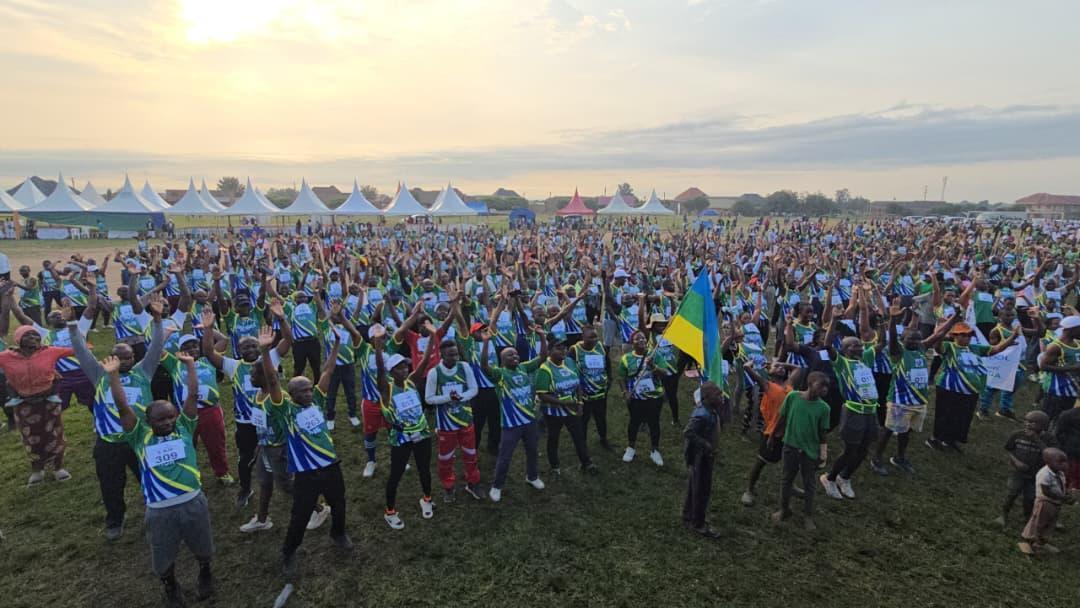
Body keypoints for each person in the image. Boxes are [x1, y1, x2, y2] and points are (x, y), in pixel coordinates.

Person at [104, 350, 215, 606]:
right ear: (147, 421)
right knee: (163, 553)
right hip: (159, 510)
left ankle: (205, 572)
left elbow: (192, 395)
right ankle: (170, 585)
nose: (167, 422)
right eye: (160, 419)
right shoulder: (139, 436)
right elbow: (122, 406)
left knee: (203, 545)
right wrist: (113, 377)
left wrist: (189, 367)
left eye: (170, 417)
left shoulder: (185, 427)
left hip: (193, 502)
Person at [258, 326, 352, 576]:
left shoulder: (318, 400)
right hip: (306, 473)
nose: (309, 393)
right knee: (299, 516)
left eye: (310, 389)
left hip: (330, 465)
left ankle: (339, 533)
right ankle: (288, 551)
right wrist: (266, 350)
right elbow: (271, 379)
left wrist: (336, 345)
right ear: (291, 395)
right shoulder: (285, 410)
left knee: (339, 503)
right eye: (302, 391)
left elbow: (328, 370)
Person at [70, 300, 165, 539]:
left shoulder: (143, 372)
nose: (126, 361)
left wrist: (158, 320)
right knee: (111, 484)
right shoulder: (99, 375)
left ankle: (155, 512)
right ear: (109, 358)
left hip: (139, 440)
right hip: (109, 443)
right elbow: (81, 350)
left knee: (149, 478)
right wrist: (72, 325)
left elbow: (156, 346)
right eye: (120, 358)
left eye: (129, 357)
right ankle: (115, 518)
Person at [0, 288, 79, 485]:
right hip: (24, 403)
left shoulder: (49, 351)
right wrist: (8, 300)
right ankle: (37, 470)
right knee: (31, 437)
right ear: (18, 340)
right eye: (29, 336)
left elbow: (78, 349)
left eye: (37, 336)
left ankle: (59, 467)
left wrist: (72, 325)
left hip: (48, 399)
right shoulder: (6, 357)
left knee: (55, 434)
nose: (35, 339)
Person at [869, 308, 961, 475]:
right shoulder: (898, 353)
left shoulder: (921, 349)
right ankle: (876, 458)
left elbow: (938, 334)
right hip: (899, 402)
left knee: (907, 432)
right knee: (889, 430)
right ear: (902, 340)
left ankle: (899, 457)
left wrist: (954, 318)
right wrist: (892, 319)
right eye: (911, 339)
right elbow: (892, 340)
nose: (916, 341)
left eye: (918, 338)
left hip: (919, 402)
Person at [374, 324, 438, 529]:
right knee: (396, 474)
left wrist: (433, 338)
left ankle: (427, 499)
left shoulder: (411, 382)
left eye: (405, 366)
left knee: (424, 469)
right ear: (391, 371)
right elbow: (380, 371)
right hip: (400, 438)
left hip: (422, 433)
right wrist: (377, 346)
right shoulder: (386, 389)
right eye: (399, 368)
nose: (404, 370)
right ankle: (390, 511)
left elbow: (425, 361)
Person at [480, 326, 547, 502]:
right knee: (505, 456)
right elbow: (484, 365)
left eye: (516, 354)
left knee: (532, 450)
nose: (515, 356)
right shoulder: (499, 374)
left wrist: (541, 336)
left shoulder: (524, 368)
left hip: (529, 420)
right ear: (502, 360)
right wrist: (486, 343)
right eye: (510, 355)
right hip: (511, 424)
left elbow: (542, 358)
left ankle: (532, 476)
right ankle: (497, 485)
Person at [771, 371, 832, 531]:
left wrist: (823, 453)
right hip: (790, 446)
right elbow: (782, 417)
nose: (824, 390)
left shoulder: (824, 408)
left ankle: (808, 515)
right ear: (810, 384)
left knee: (809, 483)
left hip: (809, 452)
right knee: (786, 480)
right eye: (821, 386)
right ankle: (784, 509)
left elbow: (822, 434)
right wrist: (773, 435)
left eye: (827, 387)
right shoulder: (793, 397)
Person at [425, 338, 484, 502]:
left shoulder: (464, 367)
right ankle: (448, 487)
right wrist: (447, 398)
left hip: (466, 420)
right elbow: (429, 398)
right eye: (450, 355)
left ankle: (472, 483)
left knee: (471, 453)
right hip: (446, 424)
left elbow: (474, 389)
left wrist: (461, 397)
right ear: (441, 355)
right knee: (445, 458)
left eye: (456, 354)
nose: (454, 358)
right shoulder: (434, 372)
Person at [740, 361, 795, 506]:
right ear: (768, 372)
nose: (781, 368)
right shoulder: (768, 385)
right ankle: (749, 489)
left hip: (790, 431)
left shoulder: (789, 385)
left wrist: (779, 362)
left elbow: (798, 368)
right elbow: (746, 367)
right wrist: (756, 364)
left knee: (791, 461)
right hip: (772, 432)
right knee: (761, 462)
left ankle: (792, 486)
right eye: (776, 367)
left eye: (782, 367)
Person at [682, 381, 724, 538]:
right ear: (706, 397)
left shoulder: (710, 410)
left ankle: (688, 515)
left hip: (704, 456)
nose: (721, 397)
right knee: (701, 490)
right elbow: (688, 432)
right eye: (718, 395)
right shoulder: (702, 415)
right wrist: (706, 445)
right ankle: (697, 523)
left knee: (695, 487)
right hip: (700, 457)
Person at [996, 411, 1052, 528]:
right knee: (1012, 493)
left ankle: (1027, 517)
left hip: (1036, 475)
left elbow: (1050, 454)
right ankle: (1003, 514)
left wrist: (1037, 440)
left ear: (1043, 425)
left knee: (1030, 498)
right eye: (1026, 421)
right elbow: (1009, 449)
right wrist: (1016, 462)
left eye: (1032, 422)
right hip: (1018, 472)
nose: (1028, 424)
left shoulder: (1049, 439)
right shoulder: (1017, 435)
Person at [619, 330, 666, 466]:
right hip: (636, 398)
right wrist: (625, 393)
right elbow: (621, 377)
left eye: (643, 338)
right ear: (631, 343)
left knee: (654, 423)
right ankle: (631, 447)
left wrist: (653, 366)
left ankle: (655, 450)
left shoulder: (654, 355)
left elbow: (664, 373)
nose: (641, 340)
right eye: (637, 339)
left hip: (654, 397)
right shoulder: (626, 358)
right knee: (634, 422)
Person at [1018, 448, 1075, 555]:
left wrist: (1066, 493)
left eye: (1065, 461)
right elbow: (1046, 491)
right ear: (1048, 462)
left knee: (1050, 523)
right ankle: (1033, 542)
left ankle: (1042, 542)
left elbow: (1062, 485)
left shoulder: (1060, 473)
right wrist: (1062, 497)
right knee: (1039, 523)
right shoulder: (1044, 474)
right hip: (1045, 502)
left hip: (1055, 502)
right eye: (1060, 462)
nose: (1064, 464)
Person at [570, 324, 612, 450]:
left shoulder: (601, 347)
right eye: (591, 337)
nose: (594, 340)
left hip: (600, 392)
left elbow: (608, 364)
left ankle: (603, 439)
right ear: (583, 337)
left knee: (601, 418)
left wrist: (610, 379)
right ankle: (582, 443)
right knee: (583, 420)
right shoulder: (574, 350)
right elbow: (570, 369)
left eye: (596, 337)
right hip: (584, 394)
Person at [1037, 315, 1080, 422]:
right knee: (1047, 420)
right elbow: (1044, 366)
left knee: (1063, 421)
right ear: (1071, 329)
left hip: (1073, 390)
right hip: (1057, 391)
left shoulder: (1077, 343)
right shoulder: (1056, 346)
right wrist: (1073, 368)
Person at [1053, 399, 1080, 490]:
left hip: (1071, 451)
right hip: (1071, 452)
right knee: (1068, 475)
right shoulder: (1068, 415)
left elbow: (1058, 434)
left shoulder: (1067, 414)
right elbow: (1058, 434)